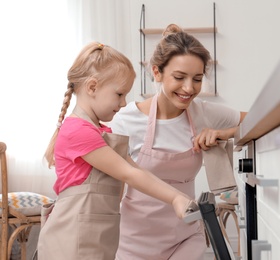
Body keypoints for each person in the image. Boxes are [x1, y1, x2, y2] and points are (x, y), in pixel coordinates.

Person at [37, 42, 193, 260]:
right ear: (92, 87)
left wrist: (178, 196)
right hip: (71, 240)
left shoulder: (101, 131)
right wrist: (175, 198)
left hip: (96, 238)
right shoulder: (77, 131)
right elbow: (129, 174)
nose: (123, 103)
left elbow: (136, 169)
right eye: (119, 94)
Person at [109, 24, 247, 260]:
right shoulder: (125, 120)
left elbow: (257, 120)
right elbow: (114, 188)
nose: (189, 88)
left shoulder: (203, 113)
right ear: (157, 72)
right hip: (133, 243)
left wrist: (224, 133)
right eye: (179, 77)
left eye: (197, 79)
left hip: (185, 238)